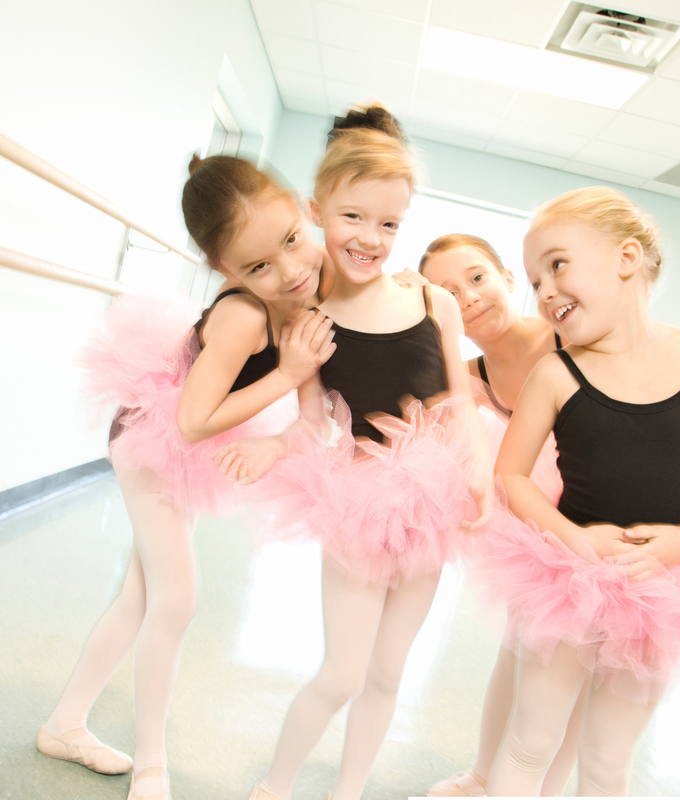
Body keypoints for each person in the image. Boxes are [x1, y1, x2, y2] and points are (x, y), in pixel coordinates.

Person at [476, 186, 680, 796]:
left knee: (606, 757)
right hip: (567, 577)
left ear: (626, 258)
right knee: (533, 741)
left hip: (663, 587)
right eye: (534, 280)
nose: (543, 291)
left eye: (557, 264)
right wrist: (575, 540)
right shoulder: (556, 373)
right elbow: (510, 475)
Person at [37, 155, 338, 800]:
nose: (288, 272)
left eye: (291, 241)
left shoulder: (311, 279)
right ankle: (152, 764)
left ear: (300, 210)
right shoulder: (246, 315)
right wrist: (287, 374)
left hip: (179, 444)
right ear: (223, 271)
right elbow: (194, 422)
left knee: (142, 596)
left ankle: (64, 723)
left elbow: (308, 417)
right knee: (175, 600)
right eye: (258, 267)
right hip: (153, 444)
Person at [244, 107, 492, 800]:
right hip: (357, 501)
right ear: (317, 210)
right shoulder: (309, 315)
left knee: (388, 673)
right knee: (343, 673)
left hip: (433, 502)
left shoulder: (434, 303)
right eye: (354, 218)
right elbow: (312, 415)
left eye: (389, 225)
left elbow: (461, 403)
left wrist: (477, 468)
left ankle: (346, 791)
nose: (371, 239)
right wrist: (270, 446)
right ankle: (276, 785)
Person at [418, 234, 584, 798]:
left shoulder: (570, 336)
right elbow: (413, 407)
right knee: (519, 648)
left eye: (477, 277)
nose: (467, 296)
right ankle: (485, 774)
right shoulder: (470, 373)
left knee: (580, 668)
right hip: (536, 512)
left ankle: (546, 790)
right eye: (447, 291)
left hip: (599, 502)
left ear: (508, 278)